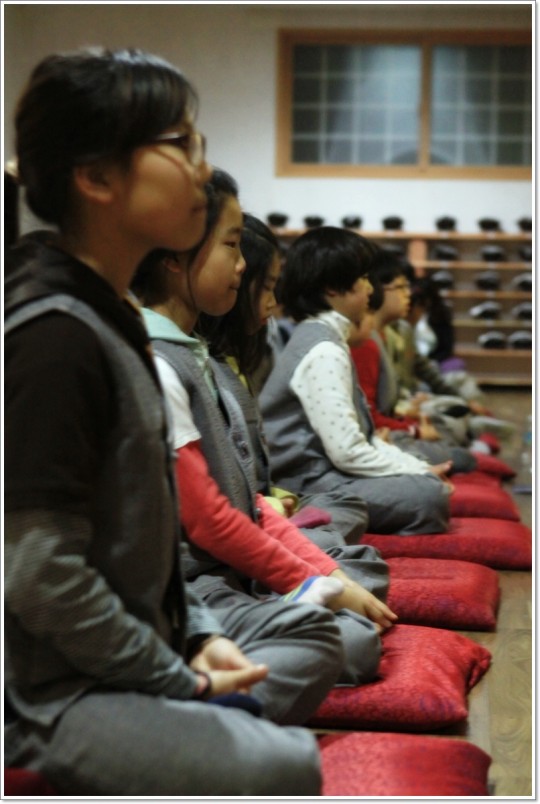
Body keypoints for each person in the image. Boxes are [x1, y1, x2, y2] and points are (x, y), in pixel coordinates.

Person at [4, 48, 345, 797]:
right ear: (96, 176)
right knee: (286, 763)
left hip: (129, 656)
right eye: (182, 144)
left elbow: (142, 546)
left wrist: (197, 635)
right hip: (47, 699)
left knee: (272, 728)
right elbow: (37, 573)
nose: (202, 168)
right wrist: (173, 675)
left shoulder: (107, 314)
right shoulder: (54, 333)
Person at [134, 170, 396, 687]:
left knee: (356, 579)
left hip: (231, 569)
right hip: (193, 588)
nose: (241, 265)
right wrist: (312, 580)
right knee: (344, 640)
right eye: (232, 245)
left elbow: (244, 506)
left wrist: (328, 576)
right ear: (174, 254)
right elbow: (211, 522)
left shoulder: (194, 356)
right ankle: (191, 693)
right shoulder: (159, 364)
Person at [259, 226, 453, 535]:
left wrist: (417, 468)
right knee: (428, 495)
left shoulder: (325, 339)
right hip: (307, 484)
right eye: (363, 278)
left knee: (423, 477)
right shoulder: (323, 350)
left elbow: (359, 440)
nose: (370, 289)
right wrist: (420, 474)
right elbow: (347, 452)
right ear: (332, 288)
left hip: (327, 474)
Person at [199, 211, 371, 545]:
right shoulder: (192, 363)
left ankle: (304, 547)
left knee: (348, 508)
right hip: (238, 525)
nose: (273, 302)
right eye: (266, 287)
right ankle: (306, 551)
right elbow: (207, 492)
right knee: (415, 500)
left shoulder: (241, 355)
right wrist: (267, 506)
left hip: (267, 503)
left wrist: (274, 498)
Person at [349, 250, 478, 473]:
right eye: (400, 287)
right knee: (458, 457)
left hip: (392, 427)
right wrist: (414, 429)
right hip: (377, 439)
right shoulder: (364, 342)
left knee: (453, 422)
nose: (408, 294)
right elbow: (366, 421)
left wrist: (411, 417)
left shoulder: (391, 333)